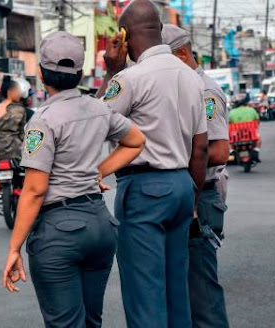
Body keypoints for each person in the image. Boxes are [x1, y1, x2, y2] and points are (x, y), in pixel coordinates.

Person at [2, 31, 146, 328]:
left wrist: (14, 247)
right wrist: (99, 171)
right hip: (100, 226)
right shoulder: (98, 109)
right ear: (80, 73)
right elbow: (135, 141)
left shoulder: (42, 120)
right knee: (92, 321)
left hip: (59, 234)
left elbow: (34, 190)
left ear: (41, 74)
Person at [97, 1, 209, 326]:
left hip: (144, 190)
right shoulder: (192, 78)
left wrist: (110, 72)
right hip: (182, 187)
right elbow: (200, 148)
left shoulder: (130, 79)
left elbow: (93, 123)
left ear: (124, 36)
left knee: (145, 294)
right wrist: (192, 197)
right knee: (177, 292)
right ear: (160, 31)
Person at [162, 24, 230, 328]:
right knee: (183, 291)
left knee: (201, 292)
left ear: (182, 53)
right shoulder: (183, 87)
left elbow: (217, 150)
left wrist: (175, 160)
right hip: (188, 194)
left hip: (201, 197)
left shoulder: (206, 90)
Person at [0, 76, 26, 197]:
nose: (20, 94)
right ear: (10, 92)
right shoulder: (20, 109)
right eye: (18, 91)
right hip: (16, 147)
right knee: (23, 169)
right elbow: (22, 131)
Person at [229, 96, 262, 162]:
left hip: (236, 136)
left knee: (228, 141)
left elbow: (230, 123)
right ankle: (256, 151)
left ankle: (232, 151)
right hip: (251, 135)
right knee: (259, 140)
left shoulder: (232, 112)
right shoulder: (252, 110)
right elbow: (257, 121)